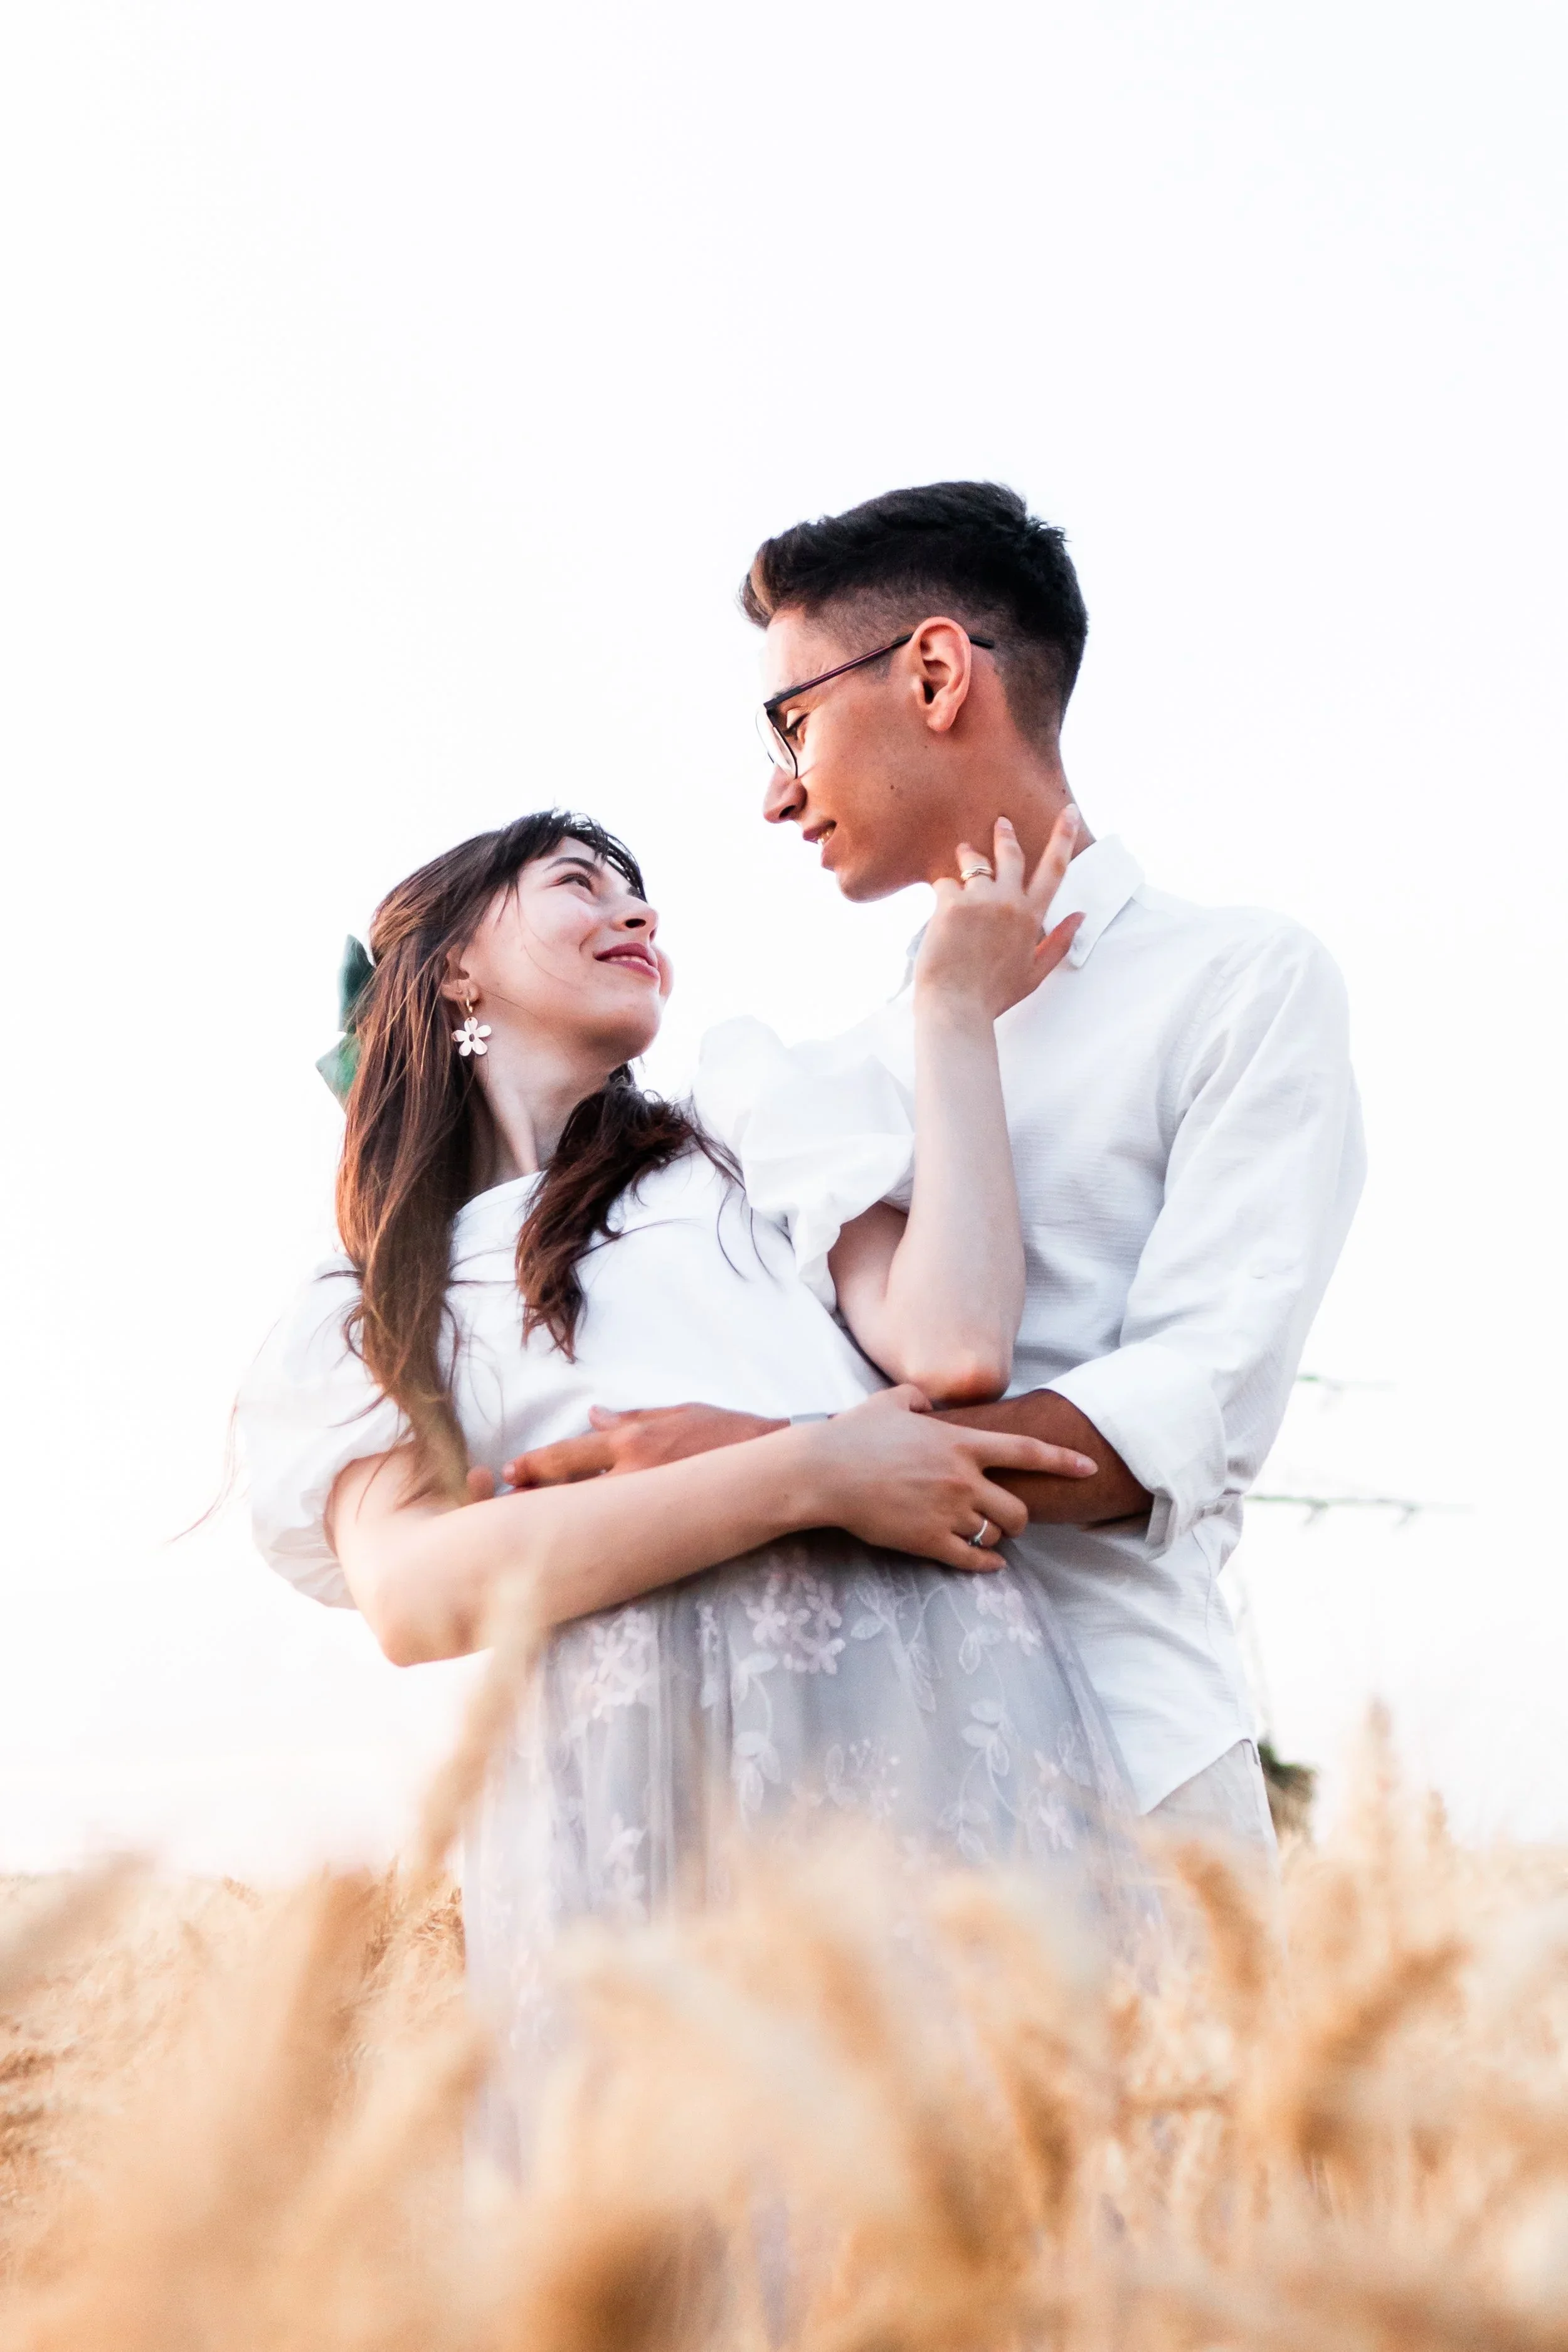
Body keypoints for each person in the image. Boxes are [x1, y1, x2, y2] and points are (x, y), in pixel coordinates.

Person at [236, 806, 1144, 2158]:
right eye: (577, 884)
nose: (637, 913)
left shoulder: (734, 1131)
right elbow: (415, 1596)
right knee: (675, 2206)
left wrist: (949, 1011)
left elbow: (953, 1342)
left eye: (643, 894)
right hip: (620, 1779)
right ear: (452, 973)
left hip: (906, 1702)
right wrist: (807, 1470)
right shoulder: (372, 1296)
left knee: (970, 2176)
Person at [504, 483, 1366, 1869]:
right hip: (860, 1807)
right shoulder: (824, 1080)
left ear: (931, 670)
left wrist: (769, 1461)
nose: (775, 791)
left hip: (1131, 1765)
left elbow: (1189, 1410)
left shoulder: (1238, 986)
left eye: (789, 722)